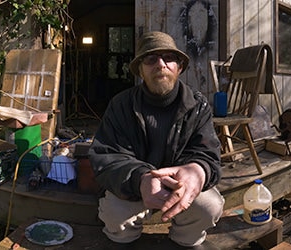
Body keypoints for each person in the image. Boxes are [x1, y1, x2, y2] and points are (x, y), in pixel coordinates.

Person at [89, 31, 224, 247]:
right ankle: (127, 242)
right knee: (115, 215)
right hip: (133, 187)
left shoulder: (198, 107)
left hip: (179, 187)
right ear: (141, 70)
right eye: (151, 59)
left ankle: (184, 242)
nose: (160, 64)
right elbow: (106, 156)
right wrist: (141, 179)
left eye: (168, 58)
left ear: (179, 67)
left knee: (209, 206)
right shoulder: (120, 105)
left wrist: (198, 171)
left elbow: (208, 154)